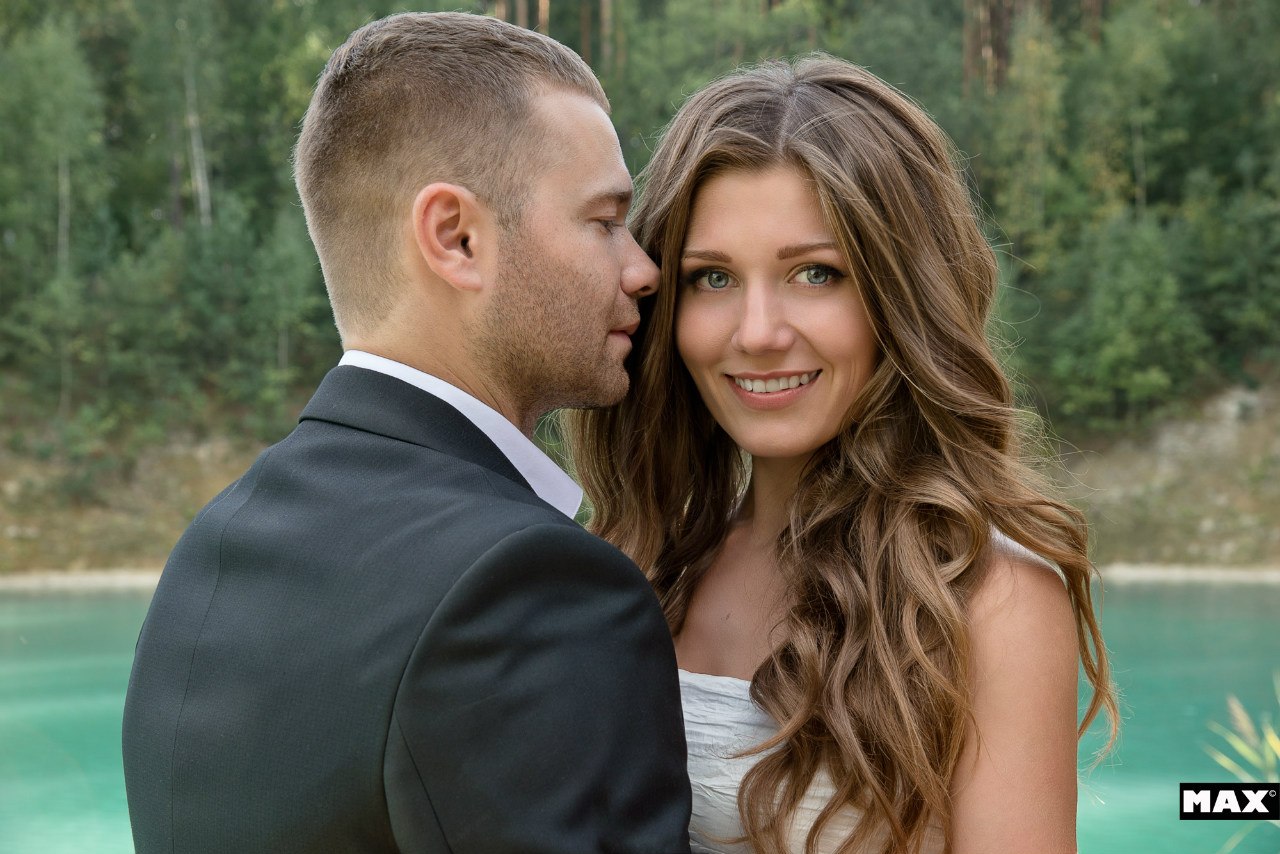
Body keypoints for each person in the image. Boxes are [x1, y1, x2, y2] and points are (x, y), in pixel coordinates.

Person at [122, 12, 692, 854]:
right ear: (456, 238)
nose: (642, 268)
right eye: (604, 220)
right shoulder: (527, 587)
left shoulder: (211, 550)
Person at [569, 57, 1117, 854]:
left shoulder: (988, 602)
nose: (756, 332)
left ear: (900, 298)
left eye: (816, 274)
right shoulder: (635, 561)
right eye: (713, 277)